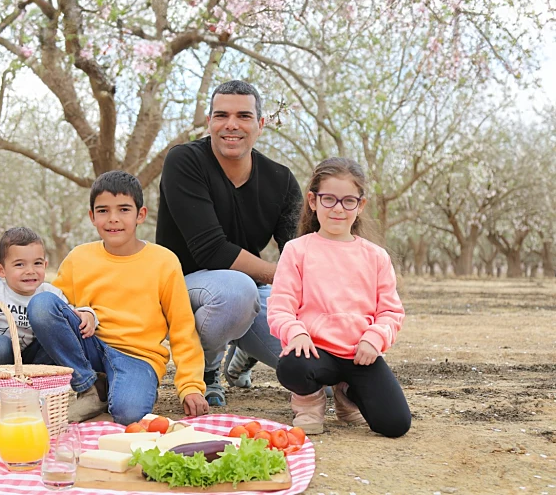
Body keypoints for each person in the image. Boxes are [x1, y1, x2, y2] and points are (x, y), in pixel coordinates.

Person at [155, 79, 302, 406]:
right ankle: (207, 372)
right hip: (183, 286)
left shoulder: (281, 179)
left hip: (249, 292)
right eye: (221, 115)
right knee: (237, 291)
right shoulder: (184, 161)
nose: (231, 125)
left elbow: (301, 254)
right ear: (209, 122)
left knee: (320, 376)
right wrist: (284, 276)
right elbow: (212, 251)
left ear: (260, 124)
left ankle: (244, 354)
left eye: (243, 116)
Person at [27, 170, 209, 425]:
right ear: (92, 217)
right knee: (41, 303)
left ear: (140, 215)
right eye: (103, 211)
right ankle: (89, 386)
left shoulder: (164, 261)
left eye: (124, 209)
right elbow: (55, 311)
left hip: (138, 357)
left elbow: (182, 328)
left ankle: (115, 387)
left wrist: (190, 385)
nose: (113, 218)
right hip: (89, 345)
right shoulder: (79, 257)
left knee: (128, 414)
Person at [268, 157, 411, 437]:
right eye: (329, 199)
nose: (338, 208)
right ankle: (309, 402)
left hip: (360, 356)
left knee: (395, 424)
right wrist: (296, 334)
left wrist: (374, 338)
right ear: (313, 201)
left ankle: (347, 394)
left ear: (360, 205)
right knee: (291, 365)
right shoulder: (297, 250)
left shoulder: (376, 256)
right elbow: (280, 307)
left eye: (348, 201)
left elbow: (391, 312)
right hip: (314, 353)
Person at [0, 226, 97, 366]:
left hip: (33, 359)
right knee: (0, 345)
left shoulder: (50, 293)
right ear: (1, 270)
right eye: (20, 264)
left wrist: (88, 314)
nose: (30, 271)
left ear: (45, 265)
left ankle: (38, 381)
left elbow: (71, 315)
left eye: (37, 263)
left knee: (57, 339)